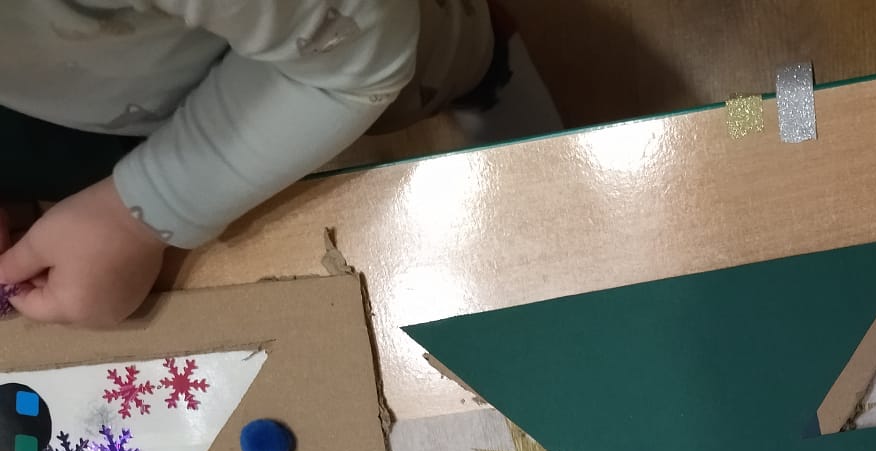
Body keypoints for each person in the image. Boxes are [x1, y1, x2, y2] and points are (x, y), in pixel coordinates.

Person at [0, 1, 522, 326]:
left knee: (448, 59)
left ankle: (488, 54)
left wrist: (138, 213)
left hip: (350, 48)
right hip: (106, 94)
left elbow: (364, 41)